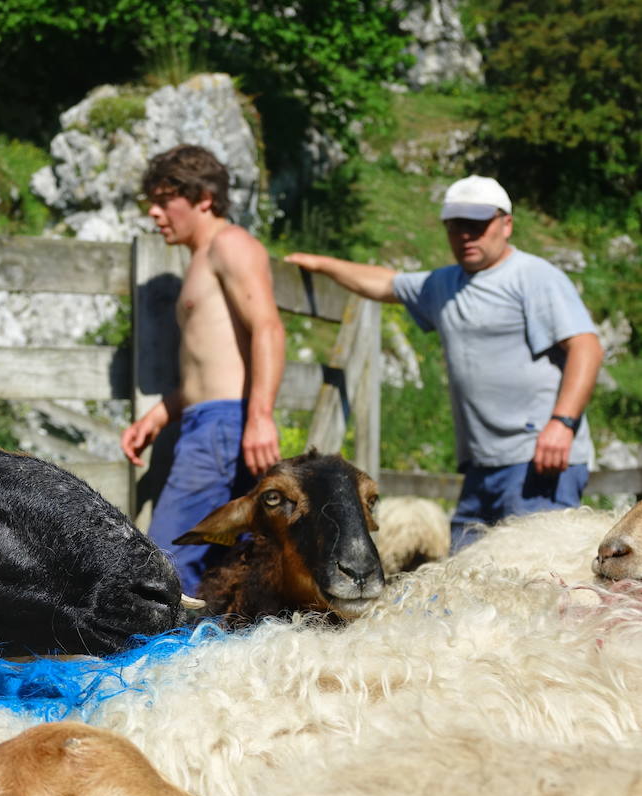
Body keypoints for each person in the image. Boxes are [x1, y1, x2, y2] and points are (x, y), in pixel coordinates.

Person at [285, 175, 604, 550]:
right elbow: (385, 284)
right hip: (482, 466)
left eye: (477, 225)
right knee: (467, 568)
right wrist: (319, 263)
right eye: (456, 225)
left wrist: (562, 424)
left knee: (540, 569)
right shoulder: (444, 284)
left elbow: (586, 346)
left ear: (506, 224)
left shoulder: (534, 277)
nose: (466, 235)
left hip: (537, 460)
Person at [121, 144, 286, 594]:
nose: (154, 212)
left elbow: (268, 328)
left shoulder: (230, 244)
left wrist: (260, 416)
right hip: (209, 423)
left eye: (164, 200)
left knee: (164, 561)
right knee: (224, 562)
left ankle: (164, 642)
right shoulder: (201, 258)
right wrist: (159, 416)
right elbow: (210, 365)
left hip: (223, 425)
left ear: (204, 198)